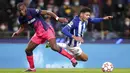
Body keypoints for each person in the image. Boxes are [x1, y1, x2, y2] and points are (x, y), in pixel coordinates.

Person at [12, 2, 77, 72]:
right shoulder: (21, 18)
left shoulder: (32, 11)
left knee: (54, 47)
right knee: (28, 50)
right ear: (19, 11)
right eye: (20, 10)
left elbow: (48, 12)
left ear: (25, 7)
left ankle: (72, 58)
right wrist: (17, 32)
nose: (22, 11)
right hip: (38, 34)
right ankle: (32, 68)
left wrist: (58, 19)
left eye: (23, 9)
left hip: (47, 30)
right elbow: (22, 27)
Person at [46, 7, 113, 61]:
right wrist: (74, 37)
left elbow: (93, 20)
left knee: (69, 48)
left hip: (72, 44)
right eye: (87, 15)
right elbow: (64, 30)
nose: (88, 16)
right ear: (81, 14)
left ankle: (56, 45)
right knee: (85, 58)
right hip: (73, 46)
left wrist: (104, 19)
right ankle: (69, 56)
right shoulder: (75, 22)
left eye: (89, 15)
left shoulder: (85, 19)